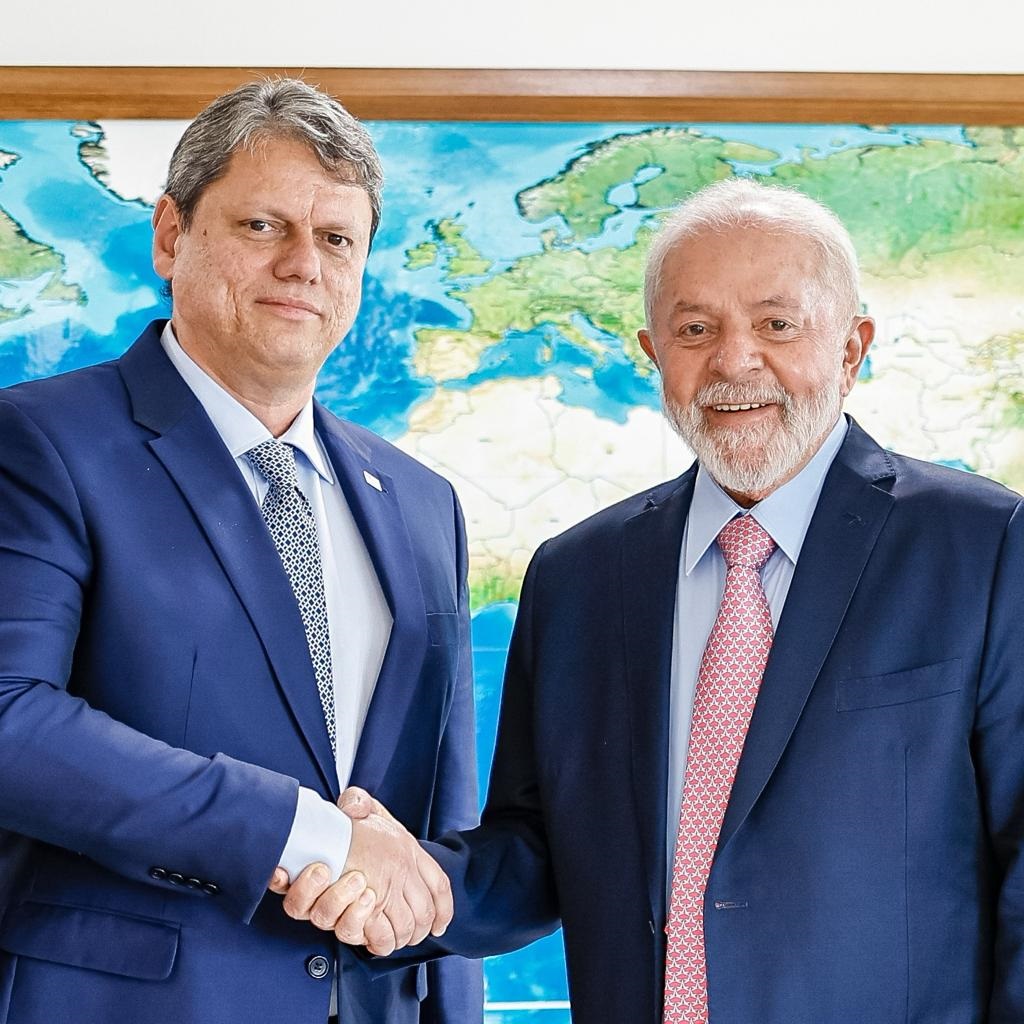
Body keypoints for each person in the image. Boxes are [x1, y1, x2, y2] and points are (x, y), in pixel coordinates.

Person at [290, 178, 1024, 1022]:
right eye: (695, 329)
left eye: (777, 325)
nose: (734, 361)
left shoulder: (985, 546)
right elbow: (538, 849)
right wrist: (412, 884)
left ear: (852, 348)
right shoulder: (577, 575)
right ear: (653, 353)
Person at [0, 78, 481, 1024]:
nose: (304, 264)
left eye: (337, 239)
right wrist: (306, 834)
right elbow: (9, 718)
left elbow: (437, 819)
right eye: (264, 226)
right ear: (171, 235)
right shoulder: (39, 443)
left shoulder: (424, 502)